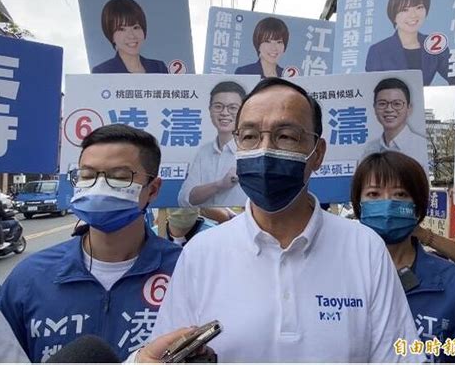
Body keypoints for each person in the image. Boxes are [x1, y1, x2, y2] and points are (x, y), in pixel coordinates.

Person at [136, 78, 425, 362]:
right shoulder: (201, 253)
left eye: (285, 136)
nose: (265, 149)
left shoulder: (365, 248)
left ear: (318, 153)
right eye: (249, 136)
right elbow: (166, 356)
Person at [0, 124, 181, 362]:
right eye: (87, 176)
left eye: (119, 177)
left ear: (153, 189)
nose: (99, 186)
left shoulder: (185, 270)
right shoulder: (30, 276)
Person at [351, 151, 455, 362]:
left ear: (418, 206)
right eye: (373, 194)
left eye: (400, 194)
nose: (387, 205)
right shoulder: (335, 274)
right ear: (358, 205)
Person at [178, 81, 247, 207]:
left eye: (232, 108)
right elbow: (184, 199)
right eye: (218, 106)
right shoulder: (204, 152)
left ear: (244, 111)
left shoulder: (252, 152)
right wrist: (219, 185)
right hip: (207, 224)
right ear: (210, 110)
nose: (224, 113)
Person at [365, 0, 455, 86]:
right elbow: (372, 89)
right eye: (405, 9)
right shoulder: (378, 51)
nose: (413, 15)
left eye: (419, 7)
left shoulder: (434, 44)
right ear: (394, 15)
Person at [362, 78, 429, 174]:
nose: (389, 109)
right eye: (382, 104)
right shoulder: (369, 150)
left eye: (397, 104)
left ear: (409, 108)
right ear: (375, 108)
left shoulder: (421, 147)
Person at [92, 0, 168, 74]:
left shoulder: (158, 67)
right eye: (121, 29)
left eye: (136, 27)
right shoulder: (102, 72)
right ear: (111, 36)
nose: (131, 36)